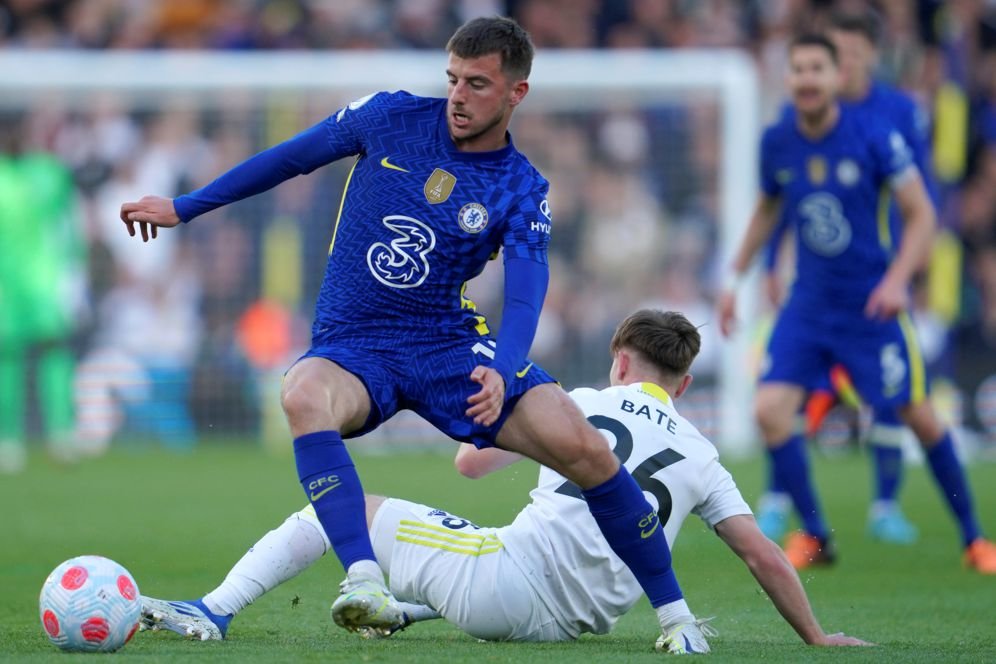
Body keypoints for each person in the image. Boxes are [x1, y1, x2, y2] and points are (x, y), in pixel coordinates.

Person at [119, 16, 688, 646]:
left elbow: (527, 296)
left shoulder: (521, 187)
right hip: (355, 341)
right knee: (302, 392)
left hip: (446, 343)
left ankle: (677, 620)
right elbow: (289, 159)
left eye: (476, 84)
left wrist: (501, 371)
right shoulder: (387, 116)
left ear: (515, 94)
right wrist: (184, 207)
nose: (458, 97)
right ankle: (362, 579)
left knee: (583, 446)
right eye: (452, 80)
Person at [138, 310, 869, 651]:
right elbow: (761, 554)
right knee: (478, 546)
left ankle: (215, 610)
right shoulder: (705, 456)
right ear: (678, 385)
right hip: (586, 619)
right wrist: (816, 637)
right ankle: (401, 608)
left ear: (619, 362)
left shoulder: (578, 405)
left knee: (340, 509)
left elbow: (469, 462)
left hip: (507, 589)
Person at [717, 34, 996, 573]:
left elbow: (922, 215)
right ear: (789, 78)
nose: (806, 79)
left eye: (816, 68)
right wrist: (736, 277)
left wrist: (896, 281)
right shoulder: (777, 141)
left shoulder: (873, 135)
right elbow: (767, 211)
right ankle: (816, 536)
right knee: (770, 412)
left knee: (920, 416)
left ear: (836, 76)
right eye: (797, 69)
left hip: (871, 307)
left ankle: (975, 539)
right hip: (809, 306)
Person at [756, 10, 934, 547]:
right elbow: (786, 201)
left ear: (867, 58)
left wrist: (909, 269)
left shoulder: (897, 114)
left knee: (892, 393)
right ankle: (780, 502)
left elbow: (922, 197)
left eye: (852, 54)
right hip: (817, 284)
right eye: (837, 54)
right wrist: (770, 263)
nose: (844, 64)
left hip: (883, 271)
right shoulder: (799, 122)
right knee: (786, 393)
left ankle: (886, 504)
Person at [0, 111, 86, 474]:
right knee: (7, 358)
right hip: (5, 284)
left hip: (46, 281)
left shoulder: (50, 172)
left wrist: (74, 274)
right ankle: (8, 440)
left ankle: (60, 434)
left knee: (55, 351)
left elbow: (70, 224)